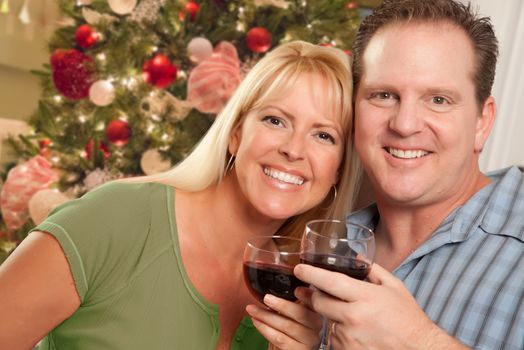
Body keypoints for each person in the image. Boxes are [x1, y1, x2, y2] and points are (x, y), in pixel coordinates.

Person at [0, 41, 362, 349]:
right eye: (275, 120)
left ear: (339, 170)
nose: (293, 149)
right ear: (236, 133)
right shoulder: (115, 219)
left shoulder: (301, 295)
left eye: (324, 135)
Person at [293, 0, 524, 349]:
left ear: (482, 121)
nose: (404, 125)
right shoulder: (326, 243)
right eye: (384, 95)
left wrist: (419, 341)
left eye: (439, 100)